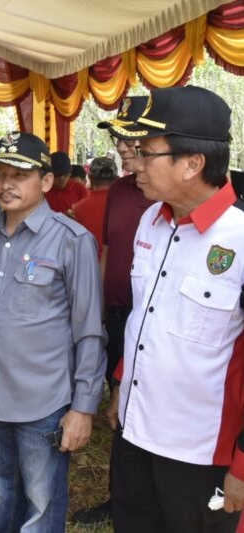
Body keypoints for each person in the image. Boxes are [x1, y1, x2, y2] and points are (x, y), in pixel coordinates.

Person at [108, 86, 244, 533]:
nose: (133, 162)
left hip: (200, 450)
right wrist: (121, 384)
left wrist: (242, 463)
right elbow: (145, 315)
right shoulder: (152, 218)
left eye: (146, 152)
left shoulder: (239, 240)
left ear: (193, 163)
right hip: (134, 427)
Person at [0, 131, 106, 532]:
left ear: (45, 182)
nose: (6, 185)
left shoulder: (72, 240)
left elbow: (90, 332)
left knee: (42, 503)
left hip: (44, 400)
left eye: (19, 175)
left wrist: (83, 408)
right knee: (1, 492)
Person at [71, 96, 155, 527]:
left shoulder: (168, 194)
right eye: (118, 137)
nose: (122, 145)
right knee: (122, 416)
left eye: (131, 136)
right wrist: (98, 315)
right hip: (120, 318)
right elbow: (106, 253)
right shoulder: (120, 190)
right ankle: (122, 499)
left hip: (158, 324)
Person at [72, 156, 119, 260]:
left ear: (90, 177)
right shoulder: (125, 204)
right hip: (119, 267)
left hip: (88, 267)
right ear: (117, 179)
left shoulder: (78, 208)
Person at [44, 150, 88, 215]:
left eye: (65, 175)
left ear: (70, 173)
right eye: (57, 175)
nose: (62, 179)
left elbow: (86, 213)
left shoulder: (79, 189)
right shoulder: (43, 189)